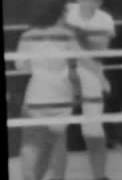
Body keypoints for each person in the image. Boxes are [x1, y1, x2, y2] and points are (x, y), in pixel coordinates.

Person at [15, 0, 83, 179]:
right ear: (59, 13)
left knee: (31, 144)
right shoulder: (68, 35)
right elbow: (76, 66)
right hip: (62, 96)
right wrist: (77, 92)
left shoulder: (28, 35)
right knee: (58, 147)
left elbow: (21, 67)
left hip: (36, 95)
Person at [64, 0, 115, 179]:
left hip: (90, 72)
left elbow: (99, 52)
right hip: (59, 71)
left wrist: (96, 74)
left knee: (93, 125)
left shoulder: (105, 19)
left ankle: (100, 176)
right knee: (53, 125)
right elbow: (66, 46)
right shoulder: (65, 10)